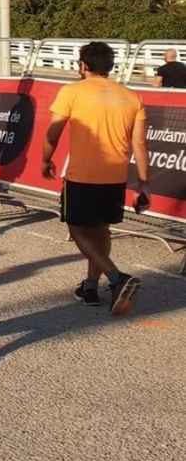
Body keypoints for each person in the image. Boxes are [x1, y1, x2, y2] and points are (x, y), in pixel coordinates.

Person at [41, 41, 151, 316]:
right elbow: (140, 144)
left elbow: (53, 132)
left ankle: (116, 278)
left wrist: (45, 159)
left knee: (77, 228)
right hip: (115, 176)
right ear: (110, 66)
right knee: (101, 231)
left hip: (82, 175)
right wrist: (143, 183)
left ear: (83, 65)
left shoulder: (72, 91)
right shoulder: (131, 97)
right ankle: (90, 286)